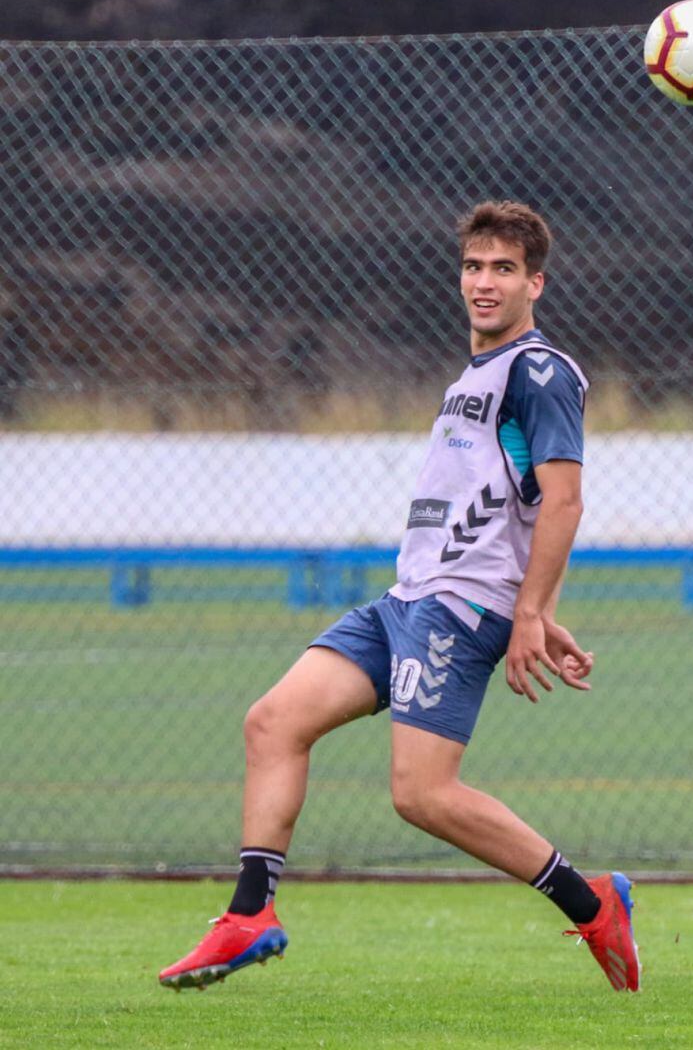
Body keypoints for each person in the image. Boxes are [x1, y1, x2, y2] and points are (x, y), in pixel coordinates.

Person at [159, 200, 640, 994]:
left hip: (460, 607)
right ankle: (250, 917)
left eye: (504, 269)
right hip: (406, 599)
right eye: (474, 266)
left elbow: (562, 501)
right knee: (274, 722)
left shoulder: (540, 373)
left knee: (421, 794)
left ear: (536, 284)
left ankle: (593, 905)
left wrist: (528, 613)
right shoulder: (474, 377)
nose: (484, 283)